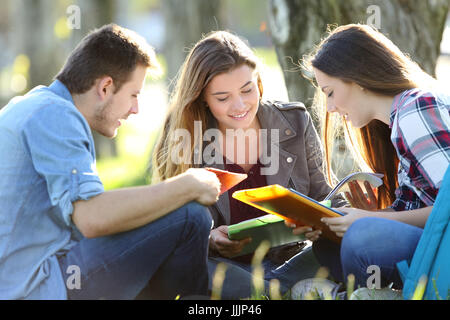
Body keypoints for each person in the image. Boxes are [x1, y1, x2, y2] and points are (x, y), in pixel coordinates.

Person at [0, 24, 221, 300]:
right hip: (38, 288)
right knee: (192, 217)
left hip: (27, 279)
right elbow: (93, 218)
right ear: (105, 87)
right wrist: (187, 185)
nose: (135, 108)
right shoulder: (56, 116)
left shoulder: (33, 107)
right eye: (134, 95)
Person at [152, 30, 347, 299]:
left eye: (247, 89)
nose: (240, 105)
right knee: (178, 267)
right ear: (202, 99)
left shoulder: (295, 121)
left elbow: (327, 198)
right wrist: (209, 240)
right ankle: (284, 291)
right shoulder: (183, 137)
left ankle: (268, 291)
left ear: (258, 82)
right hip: (226, 266)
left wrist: (318, 223)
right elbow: (171, 227)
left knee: (347, 247)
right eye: (223, 98)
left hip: (293, 258)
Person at [301, 23, 450, 289]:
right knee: (330, 241)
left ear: (357, 77)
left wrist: (371, 220)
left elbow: (447, 208)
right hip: (434, 245)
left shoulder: (415, 107)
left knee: (362, 237)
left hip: (443, 250)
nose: (331, 108)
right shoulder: (395, 123)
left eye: (330, 93)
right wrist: (343, 218)